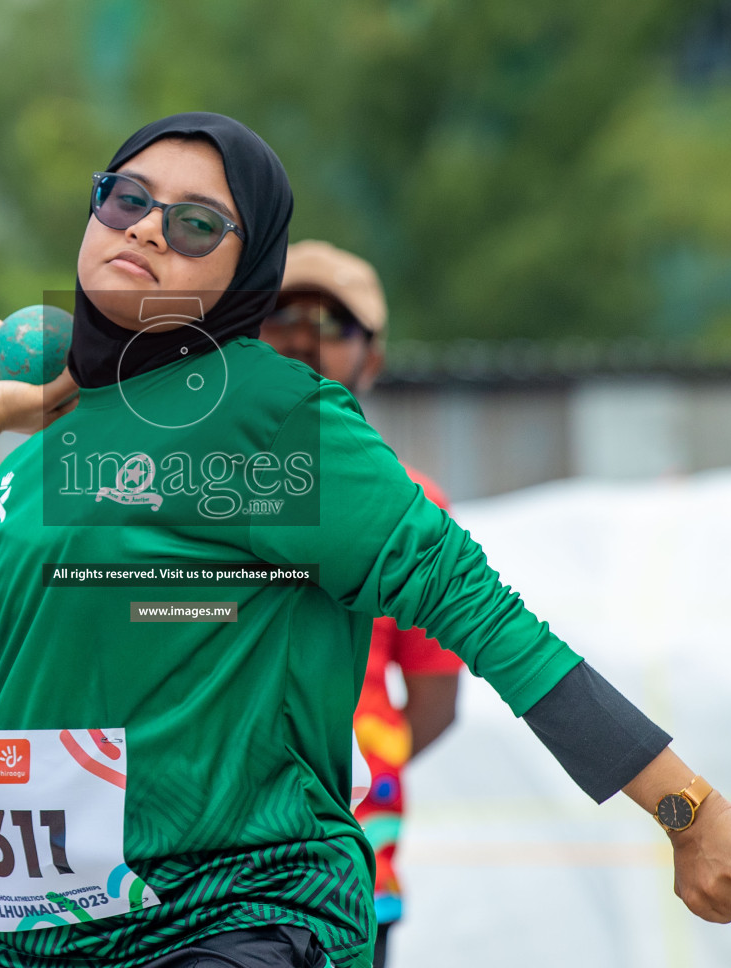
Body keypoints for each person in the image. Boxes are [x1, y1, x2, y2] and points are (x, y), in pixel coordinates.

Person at [0, 112, 731, 968]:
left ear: (244, 273)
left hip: (231, 915)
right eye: (128, 199)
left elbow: (477, 608)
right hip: (23, 937)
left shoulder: (272, 415)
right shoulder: (33, 471)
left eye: (196, 224)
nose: (148, 230)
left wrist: (683, 807)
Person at [259, 241, 462, 968]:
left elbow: (436, 702)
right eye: (280, 314)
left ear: (372, 360)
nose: (304, 338)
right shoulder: (186, 491)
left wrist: (344, 772)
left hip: (353, 873)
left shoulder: (413, 508)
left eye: (335, 324)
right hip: (203, 879)